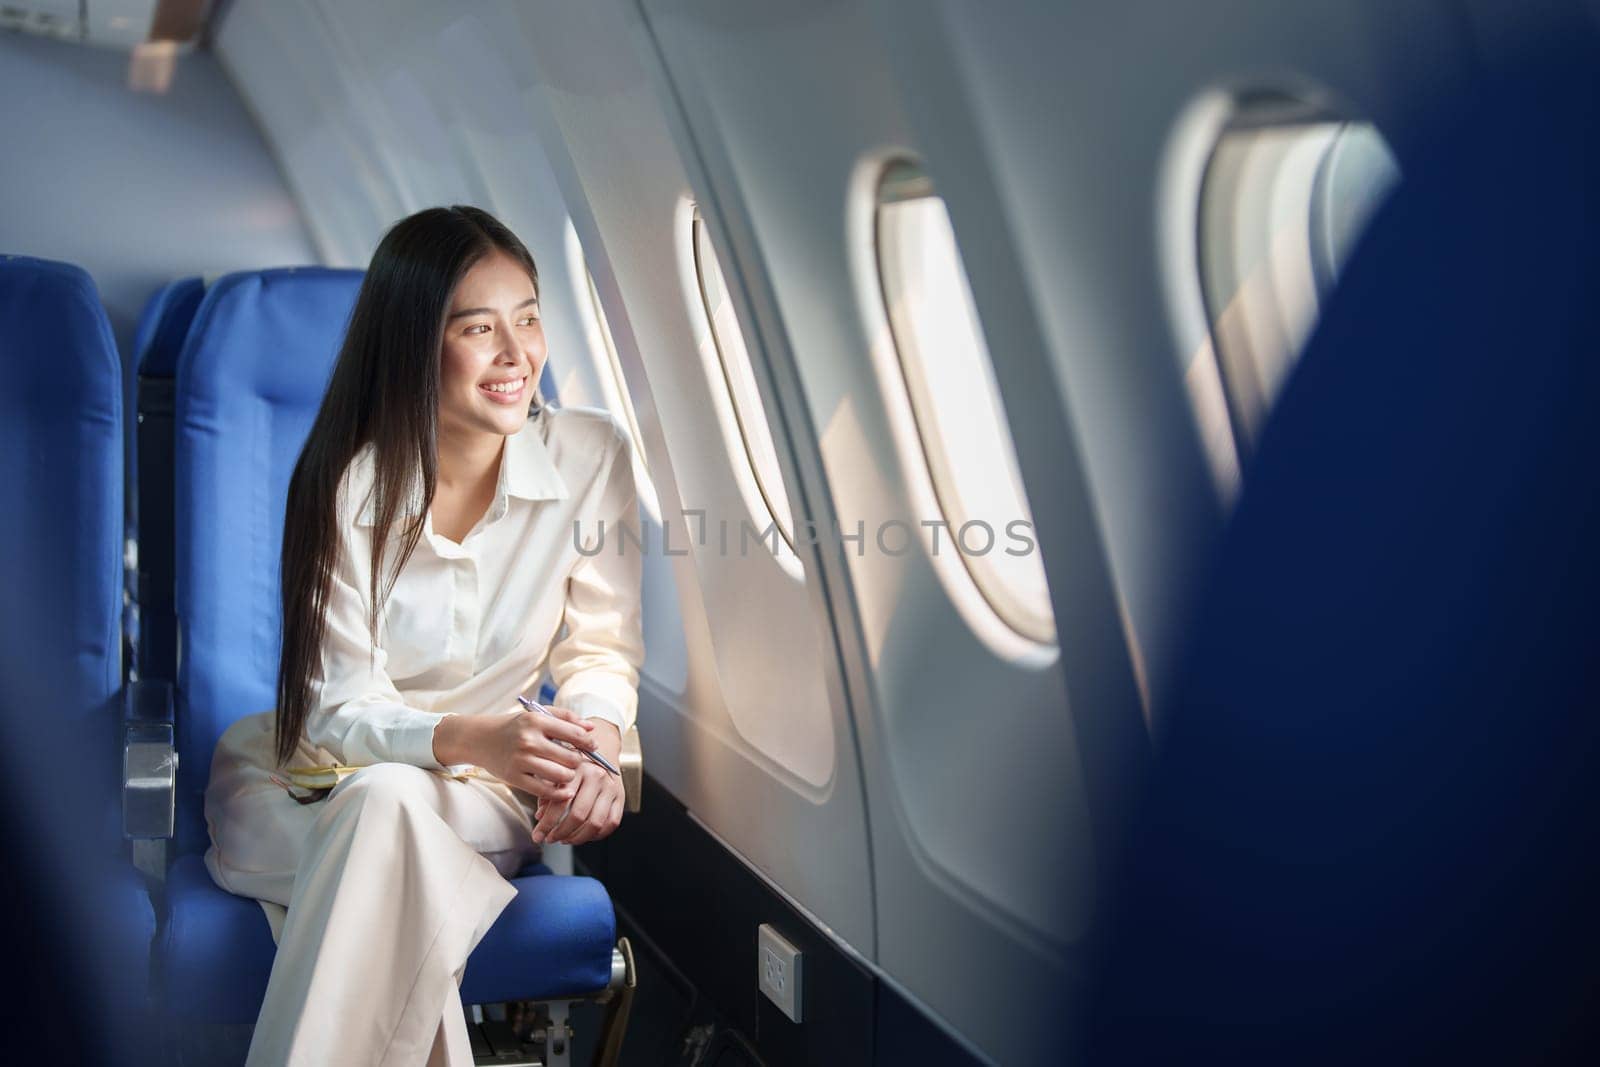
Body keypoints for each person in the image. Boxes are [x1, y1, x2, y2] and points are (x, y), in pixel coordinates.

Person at [202, 205, 645, 1066]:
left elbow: (599, 650)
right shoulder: (345, 481)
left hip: (475, 797)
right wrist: (473, 733)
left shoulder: (592, 457)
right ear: (414, 343)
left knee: (391, 811)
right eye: (480, 328)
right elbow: (333, 710)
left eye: (528, 317)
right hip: (294, 786)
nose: (518, 356)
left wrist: (596, 741)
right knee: (385, 824)